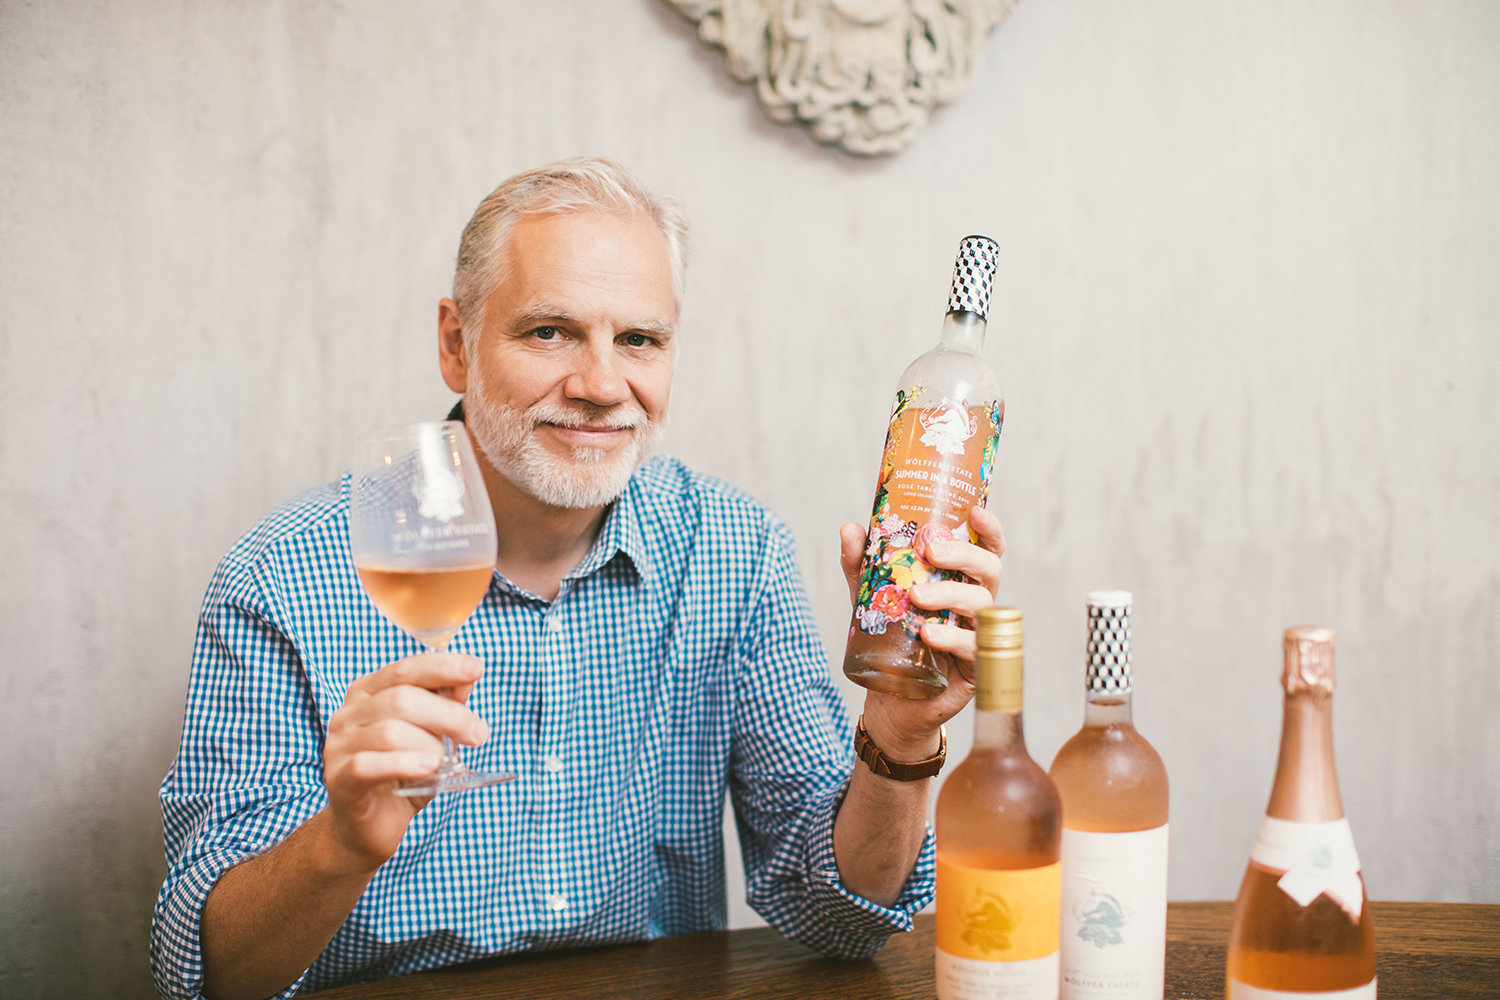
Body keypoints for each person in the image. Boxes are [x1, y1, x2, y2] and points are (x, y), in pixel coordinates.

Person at [151, 157, 1004, 1000]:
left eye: (639, 340)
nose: (601, 386)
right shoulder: (282, 576)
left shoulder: (733, 549)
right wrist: (340, 844)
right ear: (457, 342)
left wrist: (897, 736)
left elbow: (842, 920)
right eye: (548, 332)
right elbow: (206, 975)